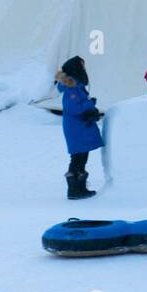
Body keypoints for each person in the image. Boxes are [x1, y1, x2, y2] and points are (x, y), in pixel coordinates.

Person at [56, 56, 103, 199]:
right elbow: (74, 108)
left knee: (81, 156)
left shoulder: (76, 86)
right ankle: (75, 190)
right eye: (82, 66)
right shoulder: (72, 88)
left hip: (79, 125)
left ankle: (79, 188)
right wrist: (90, 104)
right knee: (78, 157)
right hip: (77, 127)